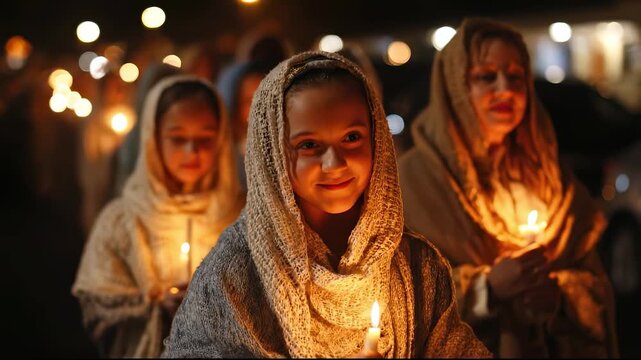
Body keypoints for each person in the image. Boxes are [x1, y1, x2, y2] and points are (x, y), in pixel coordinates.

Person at [161, 51, 491, 358]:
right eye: (309, 145)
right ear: (272, 154)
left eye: (351, 138)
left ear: (377, 139)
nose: (335, 163)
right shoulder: (235, 276)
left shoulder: (416, 266)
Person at [398, 18, 618, 358]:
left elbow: (596, 283)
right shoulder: (415, 181)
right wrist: (487, 288)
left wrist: (559, 295)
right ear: (456, 86)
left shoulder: (549, 174)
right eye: (486, 76)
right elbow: (402, 295)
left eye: (516, 77)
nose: (505, 89)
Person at [72, 75, 243, 358]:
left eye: (205, 138)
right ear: (153, 139)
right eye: (178, 139)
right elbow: (99, 306)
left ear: (222, 139)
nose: (192, 151)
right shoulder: (121, 220)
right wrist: (153, 308)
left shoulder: (243, 217)